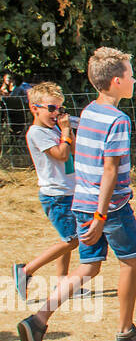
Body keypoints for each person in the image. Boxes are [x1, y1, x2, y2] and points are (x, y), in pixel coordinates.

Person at [18, 48, 136, 341]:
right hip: (110, 207)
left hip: (81, 201)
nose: (134, 78)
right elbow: (110, 170)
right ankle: (126, 331)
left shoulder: (90, 112)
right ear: (115, 81)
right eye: (130, 74)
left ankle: (38, 319)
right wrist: (101, 214)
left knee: (90, 266)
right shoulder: (118, 120)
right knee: (130, 261)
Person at [12, 83, 79, 303]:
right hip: (55, 195)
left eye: (59, 109)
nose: (56, 114)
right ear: (34, 108)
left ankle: (62, 282)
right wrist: (67, 132)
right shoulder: (37, 133)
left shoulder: (55, 129)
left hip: (69, 191)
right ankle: (26, 271)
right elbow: (60, 154)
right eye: (51, 108)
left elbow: (72, 151)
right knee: (72, 240)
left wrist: (67, 131)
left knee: (67, 237)